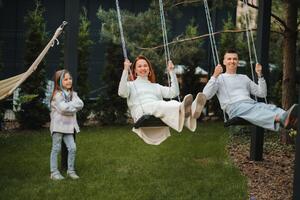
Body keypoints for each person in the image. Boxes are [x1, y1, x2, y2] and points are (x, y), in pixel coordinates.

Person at [118, 55, 206, 145]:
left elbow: (174, 92)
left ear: (149, 70)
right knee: (160, 104)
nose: (143, 68)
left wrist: (172, 72)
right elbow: (122, 92)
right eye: (139, 66)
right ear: (135, 71)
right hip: (141, 111)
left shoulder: (156, 86)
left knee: (172, 102)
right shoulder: (130, 85)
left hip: (156, 108)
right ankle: (188, 110)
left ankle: (191, 110)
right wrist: (125, 70)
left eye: (145, 65)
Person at [203, 49, 298, 131]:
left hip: (250, 104)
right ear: (224, 62)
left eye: (235, 59)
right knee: (256, 110)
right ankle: (282, 118)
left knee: (269, 107)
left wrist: (259, 75)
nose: (232, 61)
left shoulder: (244, 78)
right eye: (229, 59)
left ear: (238, 61)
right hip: (234, 107)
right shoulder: (219, 78)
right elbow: (206, 95)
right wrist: (215, 75)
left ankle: (289, 120)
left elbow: (262, 93)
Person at [49, 69, 84, 180]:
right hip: (58, 127)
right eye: (65, 79)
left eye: (70, 78)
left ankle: (70, 170)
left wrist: (70, 106)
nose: (69, 81)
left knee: (72, 148)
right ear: (59, 82)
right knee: (56, 149)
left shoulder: (73, 94)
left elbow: (81, 104)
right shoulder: (57, 95)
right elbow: (63, 109)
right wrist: (73, 107)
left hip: (69, 127)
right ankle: (54, 173)